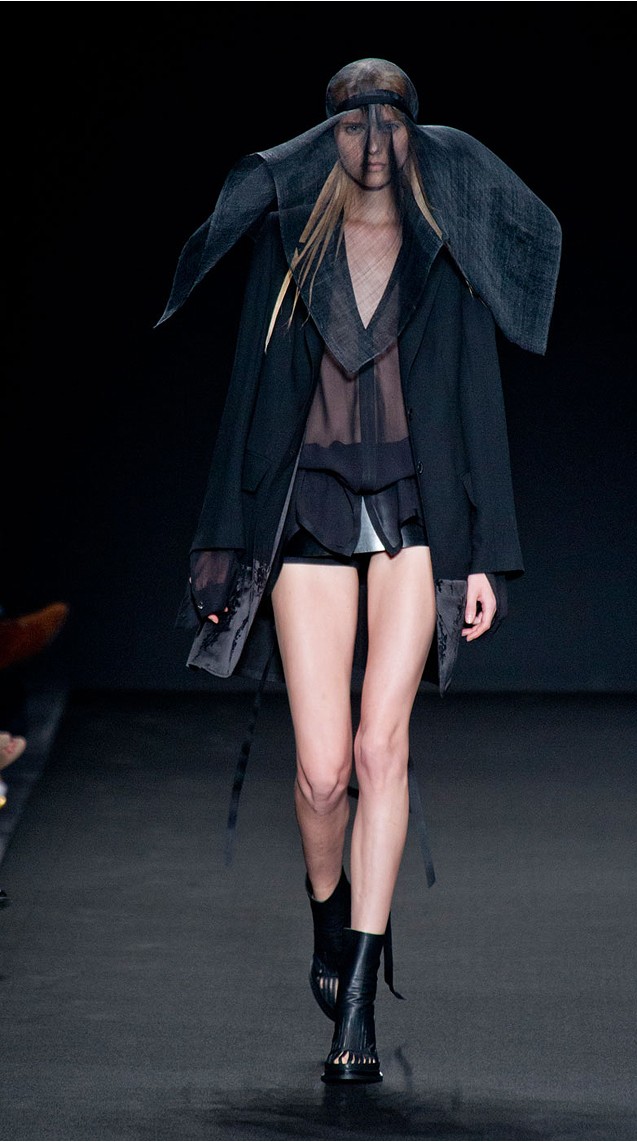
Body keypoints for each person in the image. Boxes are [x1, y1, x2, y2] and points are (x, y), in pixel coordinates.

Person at [157, 58, 561, 1084]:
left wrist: (488, 554)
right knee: (322, 770)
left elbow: (476, 396)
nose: (373, 144)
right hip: (310, 507)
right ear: (327, 135)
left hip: (419, 512)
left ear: (414, 132)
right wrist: (219, 538)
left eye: (389, 123)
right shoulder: (291, 241)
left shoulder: (443, 241)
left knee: (384, 748)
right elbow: (248, 395)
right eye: (353, 124)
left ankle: (360, 1006)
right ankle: (327, 917)